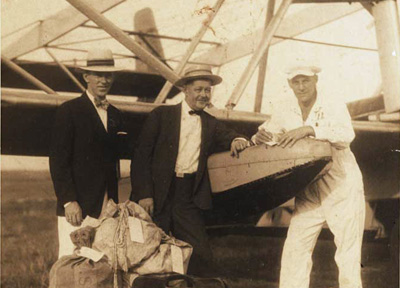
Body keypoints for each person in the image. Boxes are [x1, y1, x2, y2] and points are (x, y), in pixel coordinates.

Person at [130, 64, 249, 276]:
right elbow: (140, 157)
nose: (203, 95)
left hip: (188, 197)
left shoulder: (210, 123)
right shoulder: (161, 115)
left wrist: (238, 140)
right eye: (198, 89)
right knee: (147, 251)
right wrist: (144, 194)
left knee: (201, 254)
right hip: (157, 194)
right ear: (185, 90)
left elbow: (231, 135)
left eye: (207, 90)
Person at [253, 66, 365, 288]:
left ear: (315, 80)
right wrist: (259, 136)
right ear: (290, 84)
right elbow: (268, 132)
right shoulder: (285, 108)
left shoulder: (332, 102)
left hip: (341, 184)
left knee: (348, 254)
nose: (301, 87)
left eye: (306, 81)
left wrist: (310, 129)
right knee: (295, 249)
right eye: (296, 82)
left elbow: (346, 135)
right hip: (308, 185)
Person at [49, 48, 124, 258]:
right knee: (72, 259)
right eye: (98, 75)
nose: (104, 80)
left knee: (102, 260)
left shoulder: (115, 114)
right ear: (86, 77)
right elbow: (58, 161)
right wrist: (68, 201)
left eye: (108, 75)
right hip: (77, 206)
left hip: (108, 204)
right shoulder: (69, 111)